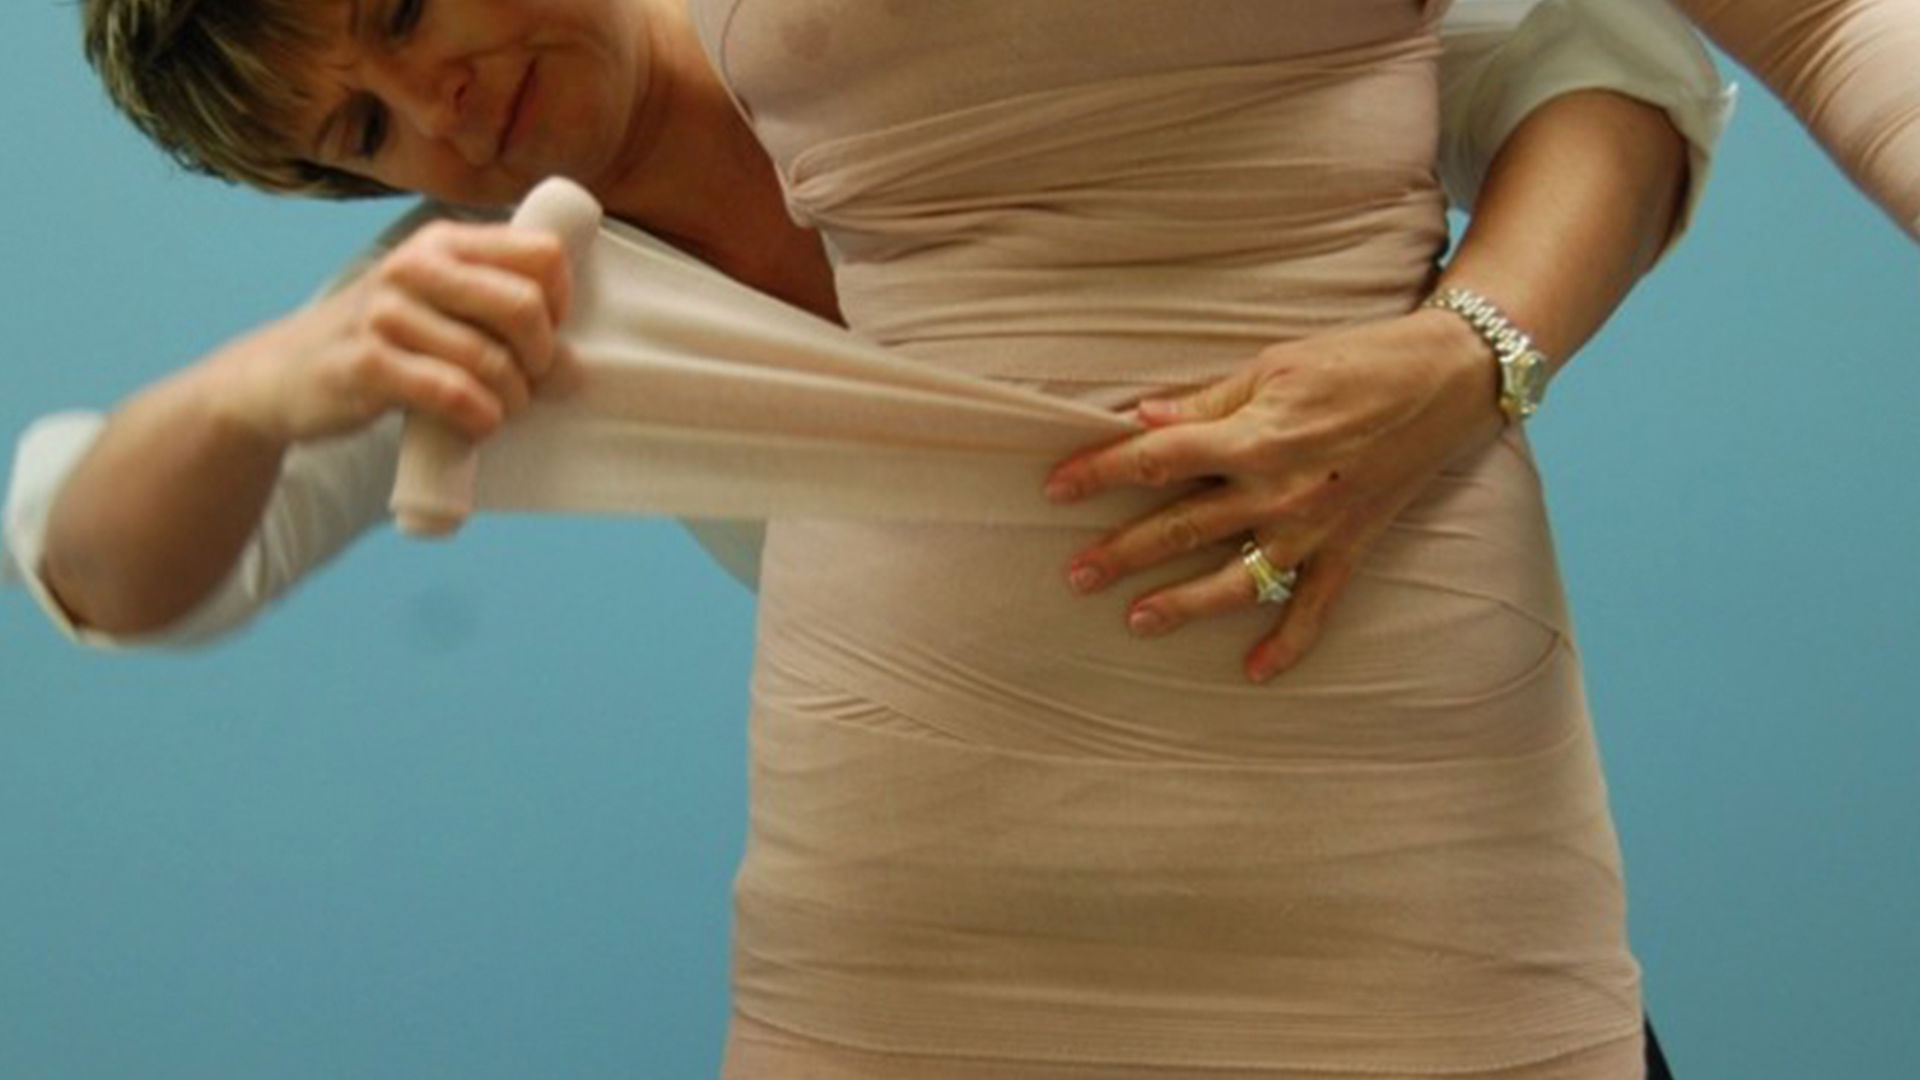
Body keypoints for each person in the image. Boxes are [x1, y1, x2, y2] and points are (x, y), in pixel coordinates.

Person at [3, 1, 1734, 1076]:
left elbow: (1600, 57)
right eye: (363, 131)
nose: (438, 111)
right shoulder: (490, 304)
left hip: (1417, 933)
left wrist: (1465, 357)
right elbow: (104, 566)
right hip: (985, 987)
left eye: (403, 9)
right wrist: (252, 389)